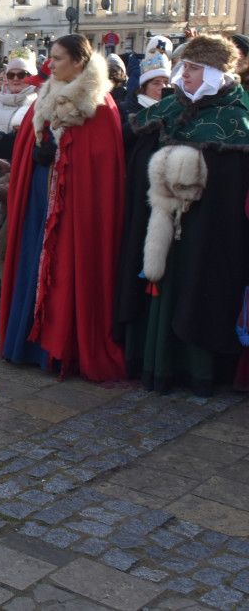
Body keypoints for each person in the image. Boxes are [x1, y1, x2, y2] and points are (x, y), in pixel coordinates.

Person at [114, 34, 249, 396]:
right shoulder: (170, 108)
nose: (182, 76)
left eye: (192, 69)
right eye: (183, 67)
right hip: (158, 226)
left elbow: (231, 189)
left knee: (197, 291)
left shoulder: (236, 119)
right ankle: (152, 361)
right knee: (157, 287)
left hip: (205, 234)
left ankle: (195, 370)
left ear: (212, 73)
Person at [0, 34, 125, 381]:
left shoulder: (100, 105)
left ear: (79, 62)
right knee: (32, 260)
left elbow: (98, 162)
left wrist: (59, 154)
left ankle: (60, 349)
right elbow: (28, 140)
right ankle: (25, 344)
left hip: (74, 208)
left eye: (57, 59)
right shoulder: (45, 96)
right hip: (41, 198)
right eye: (50, 58)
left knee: (68, 269)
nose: (49, 65)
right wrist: (39, 155)